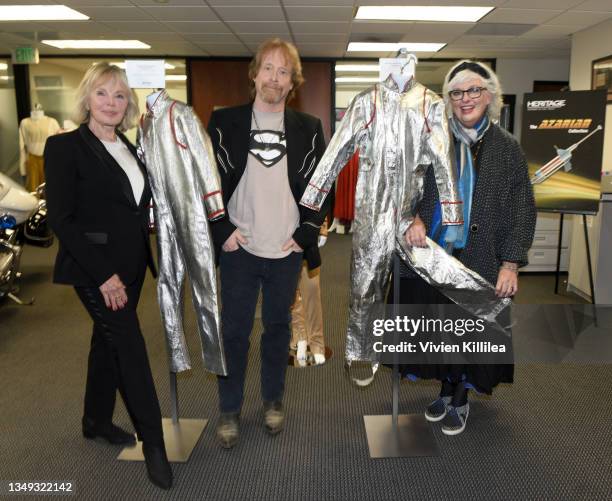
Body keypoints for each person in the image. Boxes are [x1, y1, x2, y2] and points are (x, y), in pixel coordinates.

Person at [44, 63, 172, 489]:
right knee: (130, 347)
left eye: (120, 96)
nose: (112, 103)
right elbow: (62, 219)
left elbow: (133, 207)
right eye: (102, 94)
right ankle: (154, 442)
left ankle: (95, 420)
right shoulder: (63, 147)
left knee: (107, 341)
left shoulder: (130, 147)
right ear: (87, 98)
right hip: (95, 272)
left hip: (133, 265)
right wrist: (104, 276)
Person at [398, 60, 537, 435]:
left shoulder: (508, 149)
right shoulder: (434, 140)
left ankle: (460, 397)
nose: (465, 99)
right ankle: (445, 387)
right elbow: (409, 186)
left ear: (489, 96)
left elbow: (522, 206)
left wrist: (511, 263)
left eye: (473, 90)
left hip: (483, 258)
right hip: (437, 256)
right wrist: (413, 217)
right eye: (457, 92)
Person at [207, 38, 329, 449]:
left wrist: (306, 232)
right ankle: (229, 410)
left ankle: (274, 401)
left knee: (277, 330)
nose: (274, 78)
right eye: (268, 69)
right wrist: (221, 231)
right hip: (239, 248)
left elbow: (320, 186)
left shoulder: (308, 129)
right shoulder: (224, 122)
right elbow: (206, 184)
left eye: (283, 72)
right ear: (254, 74)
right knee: (234, 333)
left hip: (285, 251)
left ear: (292, 82)